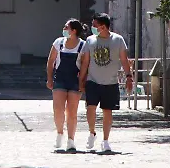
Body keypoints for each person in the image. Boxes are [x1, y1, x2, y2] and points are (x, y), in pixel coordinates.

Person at [79, 13, 133, 153]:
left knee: (107, 111)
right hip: (93, 81)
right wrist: (81, 80)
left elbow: (124, 60)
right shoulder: (90, 41)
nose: (93, 28)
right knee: (90, 108)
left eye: (95, 25)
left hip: (110, 82)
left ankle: (106, 140)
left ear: (103, 27)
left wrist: (129, 77)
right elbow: (85, 62)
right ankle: (92, 133)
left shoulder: (118, 40)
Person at [46, 18, 86, 151]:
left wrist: (82, 82)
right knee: (58, 109)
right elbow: (51, 61)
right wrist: (50, 78)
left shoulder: (83, 45)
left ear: (73, 31)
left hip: (75, 80)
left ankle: (71, 139)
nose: (64, 29)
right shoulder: (59, 43)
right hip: (60, 79)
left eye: (66, 27)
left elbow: (85, 65)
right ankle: (59, 133)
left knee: (72, 111)